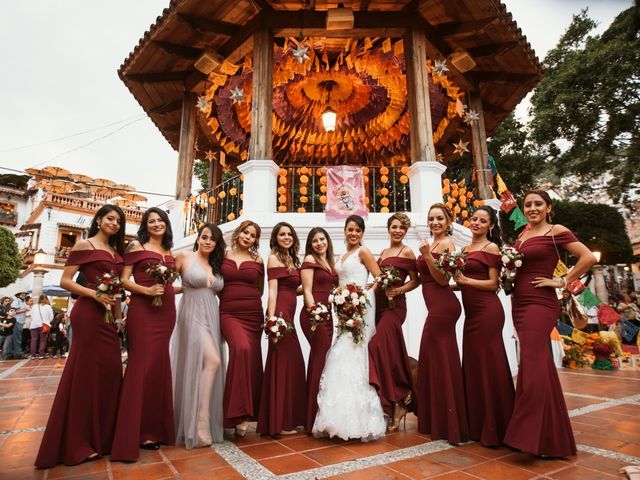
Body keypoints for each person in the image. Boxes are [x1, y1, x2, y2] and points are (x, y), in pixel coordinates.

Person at [503, 189, 596, 458]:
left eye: (538, 204)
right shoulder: (522, 236)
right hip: (519, 303)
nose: (532, 208)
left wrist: (562, 280)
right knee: (537, 362)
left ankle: (526, 434)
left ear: (548, 207)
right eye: (528, 204)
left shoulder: (556, 230)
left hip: (540, 303)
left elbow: (588, 257)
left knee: (531, 364)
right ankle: (552, 439)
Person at [36, 205, 126, 468]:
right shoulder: (84, 245)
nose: (114, 224)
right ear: (99, 219)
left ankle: (105, 438)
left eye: (119, 221)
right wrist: (92, 294)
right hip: (88, 314)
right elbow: (66, 281)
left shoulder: (116, 251)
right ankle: (79, 442)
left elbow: (117, 290)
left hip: (109, 319)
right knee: (85, 375)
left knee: (110, 373)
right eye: (110, 218)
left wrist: (119, 317)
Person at [313, 215, 387, 441]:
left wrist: (363, 296)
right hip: (343, 310)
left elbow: (380, 277)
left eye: (357, 230)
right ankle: (334, 416)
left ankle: (358, 419)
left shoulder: (363, 253)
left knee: (351, 352)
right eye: (349, 229)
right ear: (344, 231)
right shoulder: (340, 255)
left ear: (362, 233)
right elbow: (337, 283)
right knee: (339, 353)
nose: (353, 233)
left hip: (360, 310)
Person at [111, 207, 177, 461]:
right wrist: (146, 291)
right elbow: (123, 281)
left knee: (159, 367)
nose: (157, 224)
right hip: (143, 310)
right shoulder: (136, 246)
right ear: (145, 225)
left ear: (166, 224)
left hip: (166, 312)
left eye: (160, 220)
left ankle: (153, 430)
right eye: (151, 221)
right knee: (141, 366)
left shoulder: (170, 251)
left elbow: (173, 283)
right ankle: (130, 433)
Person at [453, 206, 514, 447]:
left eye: (482, 220)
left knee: (490, 364)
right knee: (473, 364)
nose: (476, 223)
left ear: (490, 226)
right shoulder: (464, 249)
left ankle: (497, 426)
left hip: (488, 312)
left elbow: (492, 284)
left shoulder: (491, 248)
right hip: (471, 315)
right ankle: (477, 424)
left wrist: (465, 280)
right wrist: (451, 287)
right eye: (474, 218)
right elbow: (464, 283)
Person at [416, 203, 469, 444]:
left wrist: (427, 256)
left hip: (443, 308)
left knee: (442, 360)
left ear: (448, 221)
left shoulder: (447, 245)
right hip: (435, 307)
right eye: (431, 218)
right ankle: (436, 418)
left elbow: (441, 279)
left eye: (439, 218)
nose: (435, 222)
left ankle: (451, 424)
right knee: (432, 359)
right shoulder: (433, 243)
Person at [172, 223, 226, 448]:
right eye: (204, 237)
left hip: (212, 315)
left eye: (212, 239)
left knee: (208, 363)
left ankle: (202, 418)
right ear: (198, 238)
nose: (207, 242)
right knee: (212, 361)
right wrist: (183, 288)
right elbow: (165, 286)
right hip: (191, 313)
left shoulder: (217, 264)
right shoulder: (184, 257)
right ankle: (200, 422)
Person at [368, 213, 418, 432]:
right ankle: (395, 403)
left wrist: (398, 289)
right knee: (387, 352)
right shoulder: (383, 252)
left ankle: (400, 395)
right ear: (388, 228)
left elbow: (416, 280)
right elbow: (378, 281)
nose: (398, 231)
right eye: (394, 227)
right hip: (379, 307)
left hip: (395, 307)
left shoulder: (406, 251)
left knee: (376, 345)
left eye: (402, 228)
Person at [257, 222, 306, 436]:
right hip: (281, 317)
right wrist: (272, 322)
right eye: (282, 234)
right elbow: (273, 292)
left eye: (289, 234)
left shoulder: (292, 260)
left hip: (291, 316)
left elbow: (293, 290)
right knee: (283, 365)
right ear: (275, 238)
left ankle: (290, 417)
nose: (286, 237)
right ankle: (280, 422)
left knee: (293, 364)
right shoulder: (274, 258)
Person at [219, 220, 264, 436]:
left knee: (252, 359)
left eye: (253, 235)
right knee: (241, 349)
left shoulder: (258, 259)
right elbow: (217, 284)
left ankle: (245, 414)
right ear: (238, 233)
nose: (248, 237)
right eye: (246, 232)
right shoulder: (223, 255)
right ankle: (235, 413)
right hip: (228, 313)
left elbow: (260, 289)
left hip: (253, 314)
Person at [299, 227, 338, 433]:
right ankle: (311, 417)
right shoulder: (309, 260)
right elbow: (306, 290)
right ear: (310, 244)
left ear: (327, 241)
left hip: (328, 316)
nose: (319, 243)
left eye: (322, 239)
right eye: (315, 241)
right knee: (319, 359)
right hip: (313, 316)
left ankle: (319, 413)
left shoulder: (330, 263)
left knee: (322, 360)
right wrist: (314, 313)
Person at [29, 294, 54, 359]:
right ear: (47, 299)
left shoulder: (34, 306)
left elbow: (31, 316)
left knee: (33, 340)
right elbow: (51, 318)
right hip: (44, 325)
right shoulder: (48, 307)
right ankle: (41, 354)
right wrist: (46, 321)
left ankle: (33, 355)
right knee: (43, 341)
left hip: (34, 325)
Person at [11, 291, 28, 359]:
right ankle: (18, 354)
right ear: (18, 295)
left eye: (25, 294)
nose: (24, 295)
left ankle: (14, 354)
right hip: (16, 322)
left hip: (21, 322)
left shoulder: (23, 302)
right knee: (17, 339)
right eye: (22, 294)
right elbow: (13, 312)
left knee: (17, 338)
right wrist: (24, 310)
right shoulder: (16, 302)